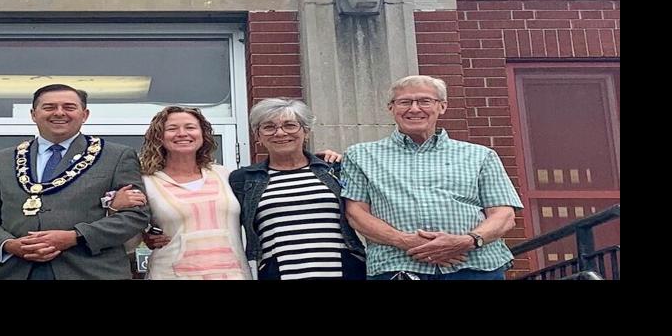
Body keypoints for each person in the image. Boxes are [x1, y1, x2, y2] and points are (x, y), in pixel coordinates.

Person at [340, 75, 522, 280]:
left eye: (425, 101)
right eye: (405, 102)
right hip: (398, 265)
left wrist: (466, 241)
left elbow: (504, 216)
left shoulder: (481, 155)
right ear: (391, 108)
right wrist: (405, 241)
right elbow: (356, 214)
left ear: (442, 106)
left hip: (474, 266)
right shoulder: (360, 155)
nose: (415, 109)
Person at [0, 84, 149, 280]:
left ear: (85, 114)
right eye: (49, 107)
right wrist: (9, 245)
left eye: (69, 107)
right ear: (33, 114)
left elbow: (135, 216)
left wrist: (75, 237)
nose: (59, 113)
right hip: (17, 270)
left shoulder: (116, 156)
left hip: (92, 271)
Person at [227, 98, 367, 280]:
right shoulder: (243, 179)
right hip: (279, 274)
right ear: (258, 136)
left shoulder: (335, 169)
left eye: (290, 125)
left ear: (306, 131)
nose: (280, 133)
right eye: (269, 127)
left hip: (345, 272)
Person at [108, 106, 250, 280]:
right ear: (159, 137)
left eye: (190, 127)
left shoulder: (225, 175)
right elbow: (128, 244)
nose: (182, 133)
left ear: (203, 134)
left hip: (233, 274)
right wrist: (115, 210)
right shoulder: (146, 182)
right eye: (172, 129)